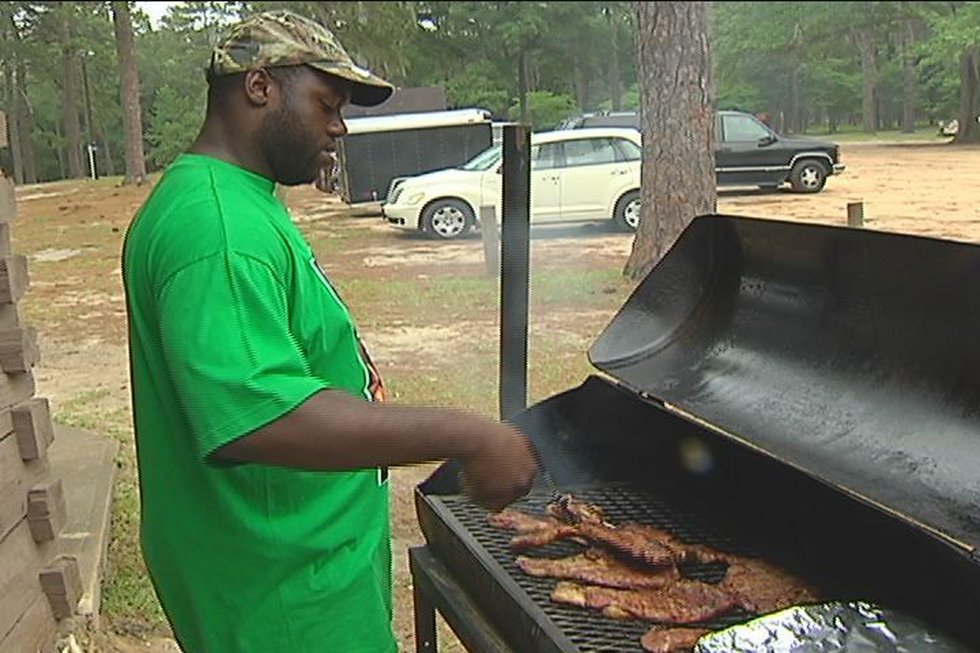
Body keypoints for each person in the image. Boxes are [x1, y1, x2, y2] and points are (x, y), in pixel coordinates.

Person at [121, 10, 537, 653]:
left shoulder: (238, 199)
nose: (340, 127)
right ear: (260, 87)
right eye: (327, 103)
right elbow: (257, 418)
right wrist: (472, 435)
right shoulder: (218, 228)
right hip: (282, 598)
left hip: (299, 564)